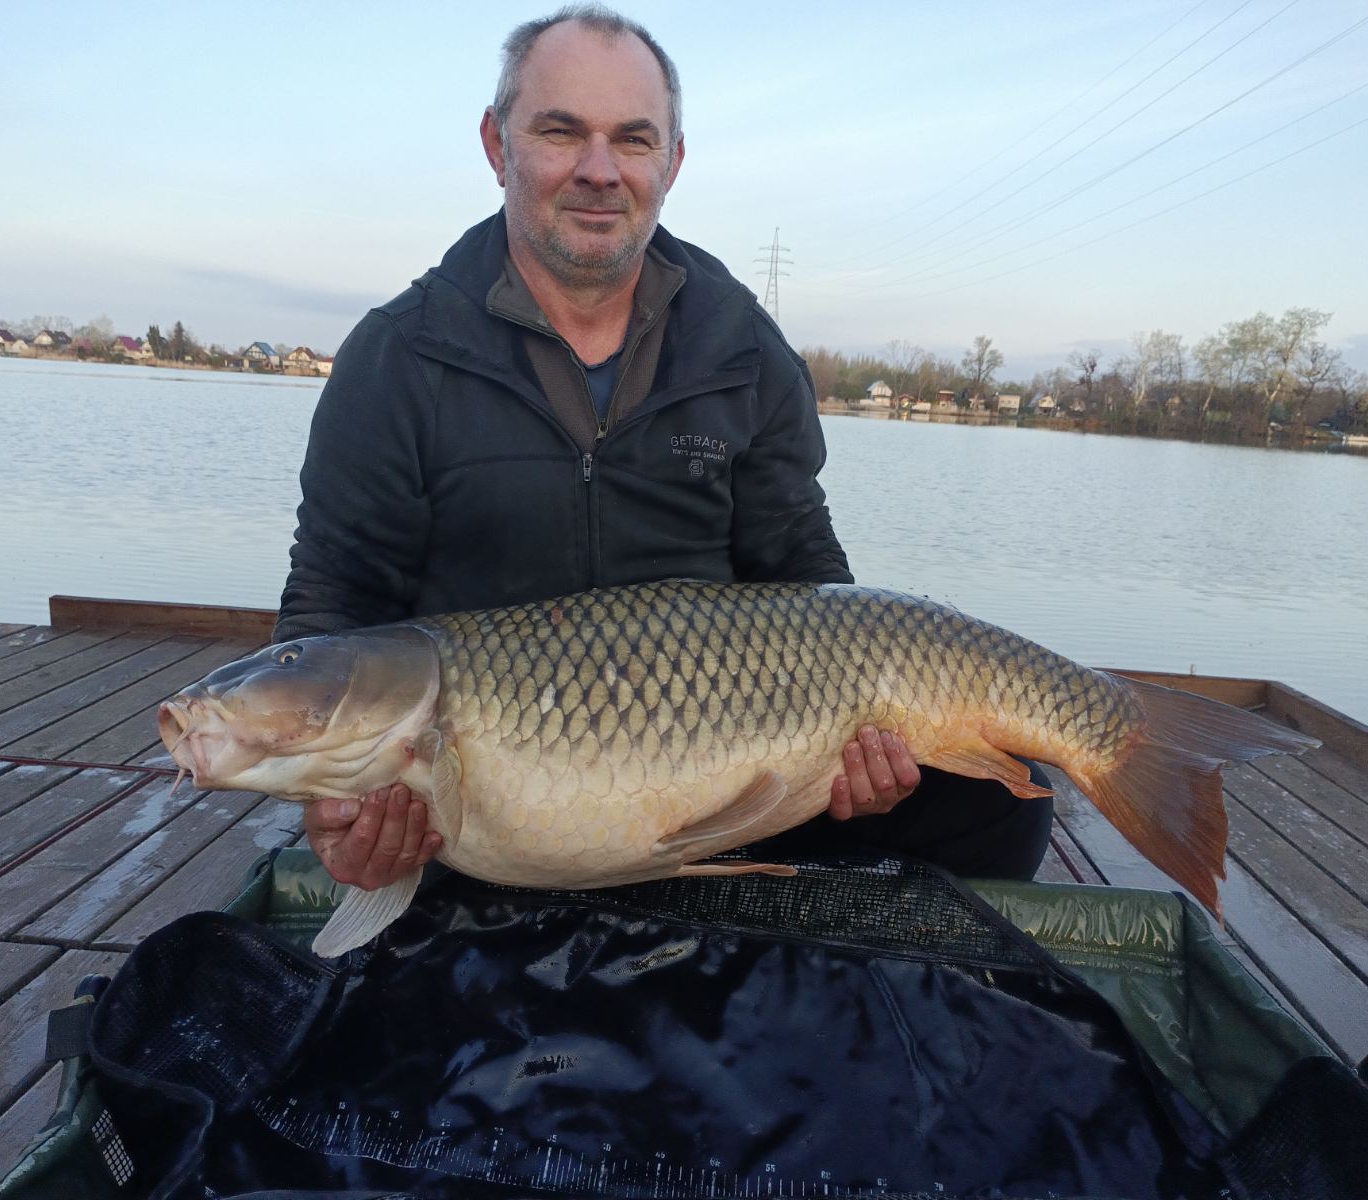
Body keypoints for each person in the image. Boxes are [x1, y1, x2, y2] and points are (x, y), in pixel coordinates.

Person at [274, 4, 1052, 896]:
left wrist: (860, 751)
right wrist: (333, 802)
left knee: (1005, 806)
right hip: (493, 792)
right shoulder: (398, 355)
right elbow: (337, 596)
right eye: (561, 132)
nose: (599, 170)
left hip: (728, 770)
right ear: (497, 145)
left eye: (634, 140)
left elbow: (805, 575)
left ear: (672, 163)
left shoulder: (743, 349)